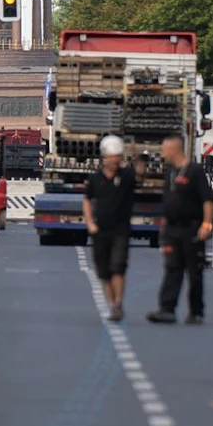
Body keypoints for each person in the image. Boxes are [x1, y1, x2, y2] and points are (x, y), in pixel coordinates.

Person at [147, 135, 213, 325]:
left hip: (192, 228)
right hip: (172, 228)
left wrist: (207, 224)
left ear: (175, 150)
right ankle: (167, 309)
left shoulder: (194, 171)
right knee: (172, 268)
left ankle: (196, 312)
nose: (163, 154)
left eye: (165, 150)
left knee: (194, 272)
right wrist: (164, 225)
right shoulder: (169, 171)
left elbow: (207, 200)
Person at [84, 135, 137, 323]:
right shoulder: (95, 179)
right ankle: (112, 302)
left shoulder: (127, 177)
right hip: (100, 231)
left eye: (118, 157)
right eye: (112, 157)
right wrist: (90, 222)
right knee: (104, 271)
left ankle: (118, 305)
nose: (115, 161)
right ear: (105, 158)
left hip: (121, 230)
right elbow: (87, 200)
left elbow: (140, 170)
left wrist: (134, 154)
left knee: (118, 267)